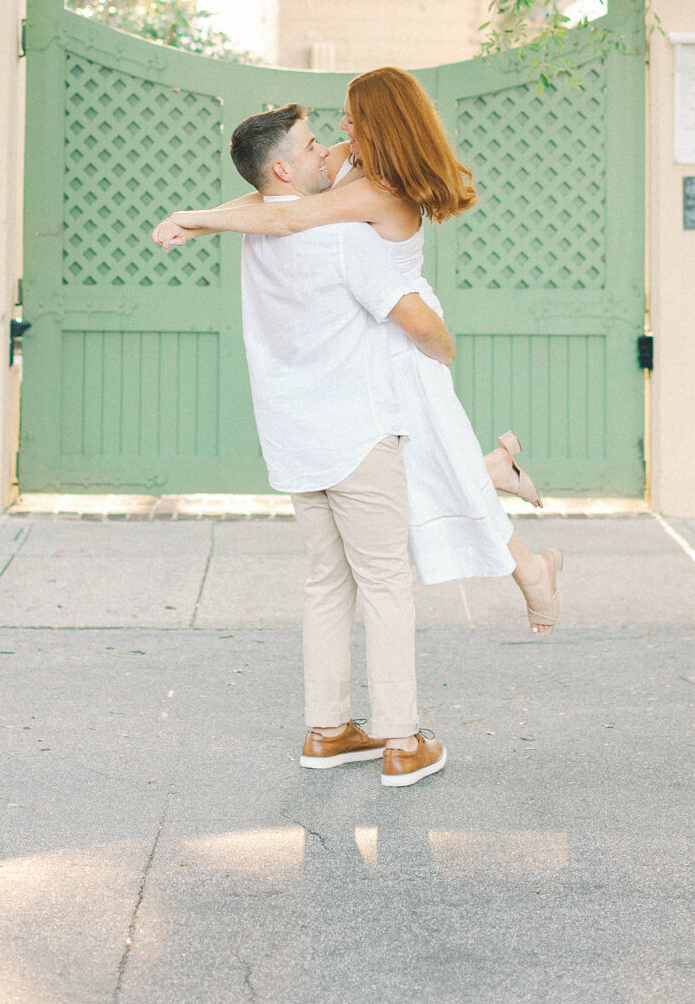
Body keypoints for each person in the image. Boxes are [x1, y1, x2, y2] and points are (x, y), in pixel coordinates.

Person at [152, 69, 564, 636]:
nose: (339, 126)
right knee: (425, 461)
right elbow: (275, 193)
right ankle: (497, 477)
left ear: (381, 126)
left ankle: (530, 569)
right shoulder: (347, 158)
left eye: (351, 116)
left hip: (403, 329)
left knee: (431, 464)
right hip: (372, 328)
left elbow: (289, 216)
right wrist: (199, 223)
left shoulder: (381, 190)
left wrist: (195, 220)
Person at [184, 103, 449, 787]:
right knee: (386, 582)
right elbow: (410, 315)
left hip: (294, 436)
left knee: (328, 582)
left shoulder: (259, 237)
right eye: (309, 145)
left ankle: (328, 730)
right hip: (357, 431)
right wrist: (447, 348)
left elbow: (269, 210)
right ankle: (402, 739)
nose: (327, 149)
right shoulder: (344, 237)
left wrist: (197, 216)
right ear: (283, 168)